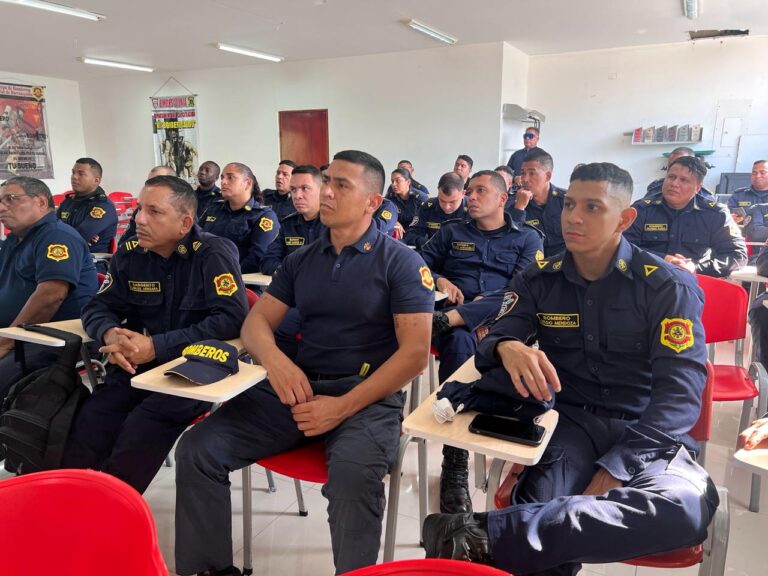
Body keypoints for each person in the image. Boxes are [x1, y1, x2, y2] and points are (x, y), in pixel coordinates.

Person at [422, 162, 719, 576]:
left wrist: (616, 468)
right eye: (570, 205)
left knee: (684, 510)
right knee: (539, 525)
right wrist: (508, 346)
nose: (574, 218)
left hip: (647, 432)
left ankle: (480, 533)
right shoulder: (539, 278)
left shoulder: (666, 286)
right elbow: (493, 337)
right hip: (571, 425)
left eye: (593, 207)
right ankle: (505, 535)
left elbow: (679, 397)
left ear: (625, 218)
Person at [173, 150, 434, 576]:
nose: (326, 191)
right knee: (199, 449)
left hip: (365, 398)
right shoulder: (302, 260)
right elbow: (257, 322)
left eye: (341, 185)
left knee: (352, 479)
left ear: (372, 202)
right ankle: (210, 570)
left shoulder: (401, 264)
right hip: (296, 388)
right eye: (327, 180)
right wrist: (276, 362)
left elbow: (414, 356)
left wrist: (342, 406)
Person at [61, 175, 249, 493]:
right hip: (140, 362)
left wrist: (157, 346)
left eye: (154, 212)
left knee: (142, 425)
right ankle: (69, 499)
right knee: (93, 415)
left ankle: (113, 512)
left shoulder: (212, 255)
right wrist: (109, 334)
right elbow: (96, 306)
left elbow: (232, 318)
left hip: (192, 368)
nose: (140, 219)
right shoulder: (132, 254)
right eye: (138, 209)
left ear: (185, 222)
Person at [421, 170, 543, 514]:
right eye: (469, 191)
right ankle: (455, 464)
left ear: (503, 199)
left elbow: (523, 292)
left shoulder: (527, 238)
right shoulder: (451, 231)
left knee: (511, 296)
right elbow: (418, 264)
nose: (470, 197)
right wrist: (442, 279)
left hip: (501, 321)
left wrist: (490, 319)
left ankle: (446, 322)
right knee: (460, 344)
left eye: (479, 191)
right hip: (457, 317)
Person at [0, 176, 97, 400]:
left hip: (49, 338)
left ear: (41, 202)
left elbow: (51, 296)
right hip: (16, 333)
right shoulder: (15, 239)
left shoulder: (56, 236)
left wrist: (6, 342)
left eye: (11, 199)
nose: (2, 207)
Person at [624, 156, 747, 277]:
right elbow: (622, 246)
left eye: (684, 180)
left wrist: (696, 267)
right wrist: (664, 259)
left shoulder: (715, 215)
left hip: (692, 284)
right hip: (645, 280)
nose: (674, 183)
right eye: (671, 177)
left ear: (697, 188)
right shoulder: (642, 210)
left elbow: (738, 255)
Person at [200, 162, 279, 273]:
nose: (223, 182)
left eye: (230, 177)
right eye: (222, 177)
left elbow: (257, 256)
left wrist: (227, 273)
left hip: (243, 281)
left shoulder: (263, 216)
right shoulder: (214, 208)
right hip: (205, 275)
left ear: (247, 183)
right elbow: (197, 238)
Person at [506, 149, 566, 257]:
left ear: (547, 176)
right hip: (529, 265)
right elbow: (508, 241)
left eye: (532, 173)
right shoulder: (515, 202)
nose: (525, 179)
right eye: (523, 173)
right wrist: (519, 208)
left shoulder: (565, 201)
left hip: (563, 262)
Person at [57, 158, 118, 254]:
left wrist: (63, 232)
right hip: (62, 255)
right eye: (73, 172)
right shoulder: (68, 202)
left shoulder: (103, 206)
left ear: (96, 180)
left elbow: (79, 237)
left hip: (90, 262)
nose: (74, 177)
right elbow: (50, 228)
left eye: (81, 174)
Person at [404, 171, 467, 250]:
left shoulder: (472, 209)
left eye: (452, 202)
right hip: (434, 255)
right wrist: (428, 243)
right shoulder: (429, 206)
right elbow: (410, 235)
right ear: (438, 190)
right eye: (442, 201)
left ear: (463, 194)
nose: (447, 207)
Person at [645, 147, 714, 199]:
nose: (676, 167)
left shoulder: (705, 197)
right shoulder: (655, 188)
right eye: (672, 164)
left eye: (684, 164)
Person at [387, 167, 428, 232]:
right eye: (392, 181)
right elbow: (384, 213)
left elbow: (425, 221)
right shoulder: (390, 197)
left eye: (397, 181)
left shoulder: (421, 198)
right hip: (398, 233)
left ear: (408, 182)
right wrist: (395, 222)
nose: (393, 184)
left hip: (417, 233)